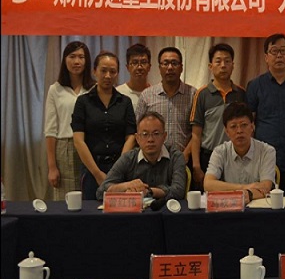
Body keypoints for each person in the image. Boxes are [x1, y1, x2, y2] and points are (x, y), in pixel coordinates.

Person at [246, 34, 285, 191]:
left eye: (283, 51)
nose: (279, 55)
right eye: (274, 51)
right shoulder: (255, 85)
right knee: (264, 201)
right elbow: (249, 122)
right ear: (266, 57)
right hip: (263, 157)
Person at [72, 51, 136, 199]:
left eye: (112, 71)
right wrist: (97, 173)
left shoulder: (125, 102)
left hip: (120, 168)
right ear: (94, 71)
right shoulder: (83, 102)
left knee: (120, 209)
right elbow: (78, 140)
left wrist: (118, 168)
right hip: (91, 168)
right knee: (90, 210)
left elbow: (131, 136)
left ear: (117, 73)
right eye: (103, 71)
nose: (108, 76)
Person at [189, 43, 246, 189]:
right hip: (208, 157)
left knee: (235, 196)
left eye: (227, 61)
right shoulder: (202, 94)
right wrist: (196, 166)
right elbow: (196, 134)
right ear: (210, 66)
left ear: (233, 65)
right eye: (218, 61)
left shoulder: (241, 93)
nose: (223, 65)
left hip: (235, 157)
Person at [97, 111, 186, 201]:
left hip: (167, 208)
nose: (150, 139)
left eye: (156, 134)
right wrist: (127, 186)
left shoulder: (176, 157)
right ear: (137, 138)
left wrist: (149, 191)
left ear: (164, 136)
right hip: (135, 209)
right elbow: (101, 192)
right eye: (145, 134)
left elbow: (178, 191)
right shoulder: (128, 158)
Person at [45, 41, 94, 199]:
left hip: (90, 145)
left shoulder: (94, 88)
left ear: (87, 61)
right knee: (65, 199)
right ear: (65, 60)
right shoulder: (55, 89)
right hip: (64, 147)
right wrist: (52, 167)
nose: (76, 61)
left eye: (81, 57)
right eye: (72, 56)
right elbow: (50, 130)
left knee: (89, 194)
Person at [204, 102, 276, 204]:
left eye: (244, 125)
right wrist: (244, 187)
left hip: (259, 209)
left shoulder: (267, 151)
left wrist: (248, 194)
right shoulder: (219, 152)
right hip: (229, 208)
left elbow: (265, 187)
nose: (239, 131)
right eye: (233, 126)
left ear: (252, 127)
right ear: (227, 131)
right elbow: (208, 184)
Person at [136, 47, 197, 163]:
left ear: (181, 67)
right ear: (159, 68)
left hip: (185, 159)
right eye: (165, 63)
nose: (170, 67)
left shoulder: (193, 95)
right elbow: (139, 129)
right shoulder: (147, 95)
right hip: (153, 161)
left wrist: (186, 154)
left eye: (174, 63)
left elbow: (198, 131)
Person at [116, 43, 151, 110]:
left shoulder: (155, 94)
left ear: (149, 67)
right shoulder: (118, 94)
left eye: (143, 62)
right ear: (127, 67)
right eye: (135, 63)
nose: (139, 67)